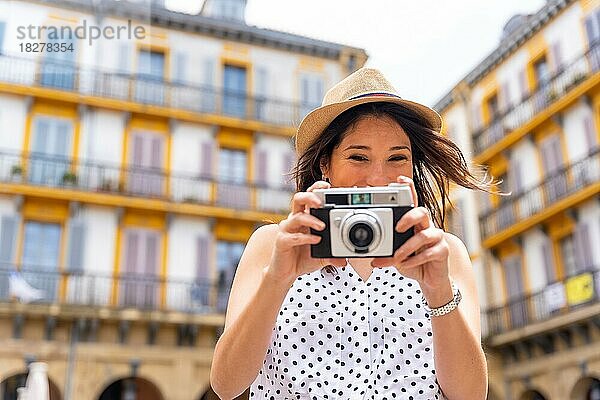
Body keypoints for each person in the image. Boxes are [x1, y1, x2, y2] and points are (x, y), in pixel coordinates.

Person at [210, 68, 491, 400]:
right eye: (358, 157)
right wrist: (278, 280)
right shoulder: (273, 244)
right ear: (325, 164)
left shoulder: (444, 252)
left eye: (397, 158)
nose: (377, 177)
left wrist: (438, 290)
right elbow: (226, 385)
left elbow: (472, 395)